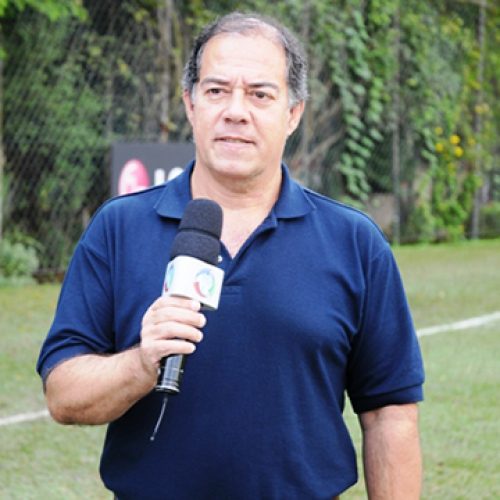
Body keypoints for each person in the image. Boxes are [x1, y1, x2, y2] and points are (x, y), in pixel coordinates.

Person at [37, 11, 424, 500]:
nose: (236, 111)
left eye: (260, 94)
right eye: (217, 90)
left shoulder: (354, 242)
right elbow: (63, 395)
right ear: (190, 103)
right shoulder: (118, 228)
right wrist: (141, 363)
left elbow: (390, 413)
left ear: (293, 113)